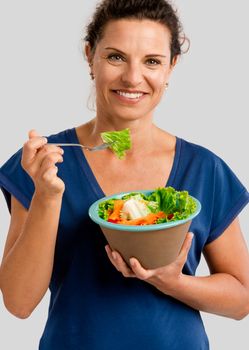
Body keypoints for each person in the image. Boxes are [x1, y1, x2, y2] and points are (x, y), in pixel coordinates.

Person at [0, 0, 249, 349]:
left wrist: (171, 281)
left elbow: (242, 298)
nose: (133, 78)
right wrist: (47, 195)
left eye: (152, 61)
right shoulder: (44, 164)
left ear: (171, 67)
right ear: (90, 56)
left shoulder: (205, 169)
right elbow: (18, 303)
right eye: (116, 56)